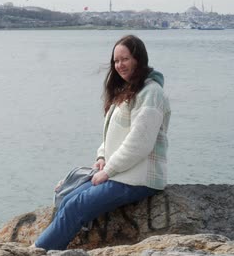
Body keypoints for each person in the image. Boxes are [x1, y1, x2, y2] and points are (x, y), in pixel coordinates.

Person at [33, 35, 171, 251]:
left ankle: (36, 251)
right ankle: (52, 248)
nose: (119, 65)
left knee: (76, 207)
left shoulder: (151, 93)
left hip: (140, 178)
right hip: (120, 172)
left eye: (125, 59)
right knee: (68, 197)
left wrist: (108, 171)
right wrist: (101, 158)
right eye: (116, 61)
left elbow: (140, 143)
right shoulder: (126, 91)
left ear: (138, 59)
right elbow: (111, 136)